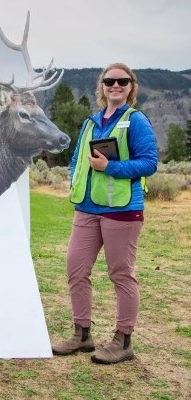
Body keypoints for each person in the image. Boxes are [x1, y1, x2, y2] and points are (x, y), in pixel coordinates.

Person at [51, 63, 158, 364]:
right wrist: (75, 178)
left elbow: (150, 163)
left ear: (130, 87)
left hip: (123, 210)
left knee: (121, 274)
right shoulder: (90, 122)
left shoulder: (135, 121)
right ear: (101, 86)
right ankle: (82, 334)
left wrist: (109, 167)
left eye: (123, 81)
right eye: (110, 81)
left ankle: (123, 341)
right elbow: (75, 159)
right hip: (86, 209)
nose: (116, 85)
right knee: (75, 268)